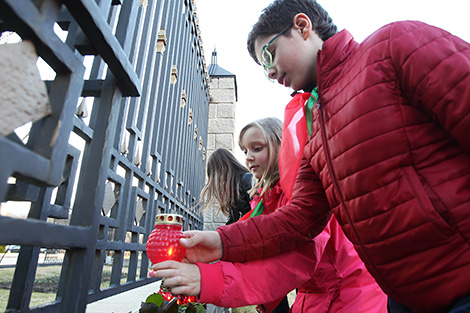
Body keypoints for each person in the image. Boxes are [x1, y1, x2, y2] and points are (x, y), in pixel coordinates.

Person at [154, 1, 470, 313]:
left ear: (303, 26)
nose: (270, 71)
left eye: (269, 54)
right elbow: (299, 219)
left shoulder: (392, 46)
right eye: (263, 67)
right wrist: (221, 242)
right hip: (406, 300)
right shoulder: (316, 131)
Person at [153, 117, 387, 313]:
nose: (248, 157)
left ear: (280, 144)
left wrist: (208, 279)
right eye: (245, 150)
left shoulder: (301, 191)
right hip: (317, 297)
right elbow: (253, 239)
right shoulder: (267, 197)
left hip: (351, 297)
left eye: (257, 148)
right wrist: (213, 247)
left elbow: (295, 259)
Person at [197, 148, 253, 225]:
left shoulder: (246, 179)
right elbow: (233, 220)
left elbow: (259, 211)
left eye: (215, 174)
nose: (217, 180)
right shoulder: (232, 188)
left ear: (222, 168)